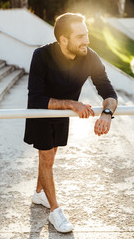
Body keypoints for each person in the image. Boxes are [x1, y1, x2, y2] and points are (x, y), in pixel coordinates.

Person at [24, 12, 117, 233]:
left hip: (62, 115)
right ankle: (55, 211)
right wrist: (72, 104)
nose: (87, 41)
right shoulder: (41, 55)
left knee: (51, 153)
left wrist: (106, 113)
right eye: (80, 36)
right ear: (63, 40)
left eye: (87, 35)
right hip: (42, 113)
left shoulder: (89, 55)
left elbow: (108, 90)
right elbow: (35, 98)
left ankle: (39, 193)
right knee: (46, 157)